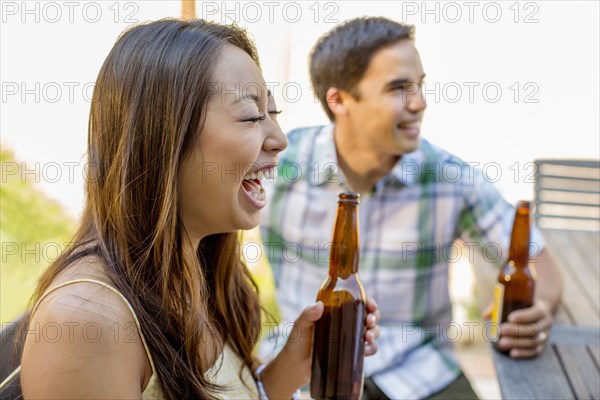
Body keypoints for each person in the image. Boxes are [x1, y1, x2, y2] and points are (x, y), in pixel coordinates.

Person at [1, 19, 381, 399]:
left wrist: (292, 364)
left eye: (273, 114)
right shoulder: (87, 322)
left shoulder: (204, 275)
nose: (279, 140)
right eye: (251, 116)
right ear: (165, 137)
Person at [260, 17, 562, 400]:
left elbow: (535, 259)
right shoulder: (279, 166)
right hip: (304, 367)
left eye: (419, 85)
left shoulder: (449, 178)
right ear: (339, 100)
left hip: (420, 372)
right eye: (398, 88)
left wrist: (542, 309)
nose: (420, 102)